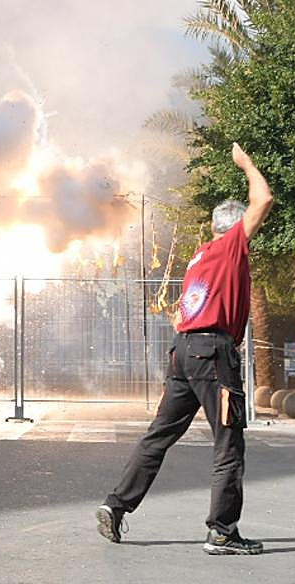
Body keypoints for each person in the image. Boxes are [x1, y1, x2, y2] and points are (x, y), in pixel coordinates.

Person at [97, 142, 273, 555]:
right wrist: (246, 163)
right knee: (229, 444)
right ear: (233, 230)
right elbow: (263, 198)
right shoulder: (231, 248)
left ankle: (115, 505)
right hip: (213, 355)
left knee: (158, 436)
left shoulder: (201, 255)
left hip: (184, 353)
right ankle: (222, 532)